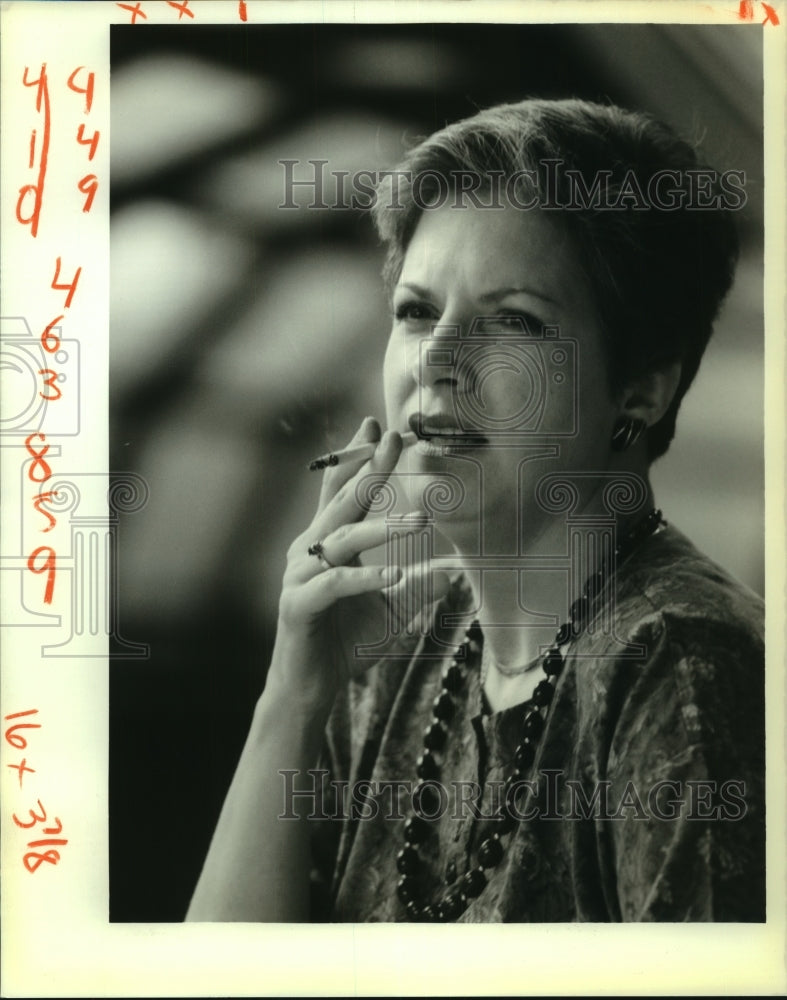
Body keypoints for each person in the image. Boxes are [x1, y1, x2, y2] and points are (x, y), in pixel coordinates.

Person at [186, 99, 764, 923]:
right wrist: (291, 696)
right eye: (417, 311)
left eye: (514, 321)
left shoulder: (686, 667)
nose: (438, 361)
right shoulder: (396, 646)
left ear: (640, 386)